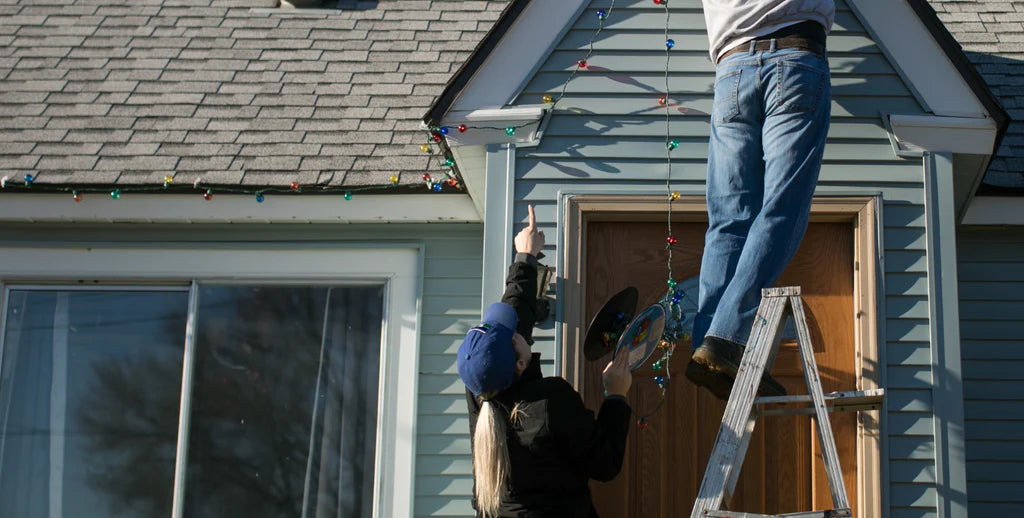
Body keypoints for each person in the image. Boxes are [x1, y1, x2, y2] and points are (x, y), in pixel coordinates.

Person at [686, 1, 835, 400]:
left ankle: (707, 342)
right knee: (781, 207)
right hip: (795, 57)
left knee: (729, 219)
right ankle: (726, 339)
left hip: (732, 69)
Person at [458, 205, 633, 518]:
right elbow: (604, 463)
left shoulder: (480, 393)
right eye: (512, 336)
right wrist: (616, 397)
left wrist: (525, 258)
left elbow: (516, 320)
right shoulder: (550, 401)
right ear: (520, 364)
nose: (517, 331)